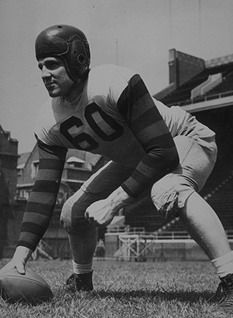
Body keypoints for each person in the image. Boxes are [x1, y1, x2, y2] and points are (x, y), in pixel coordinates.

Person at [1, 24, 233, 311]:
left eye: (52, 64)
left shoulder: (111, 82)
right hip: (135, 157)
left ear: (77, 59)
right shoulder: (49, 118)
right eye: (40, 67)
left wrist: (113, 202)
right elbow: (43, 192)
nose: (44, 74)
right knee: (73, 211)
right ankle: (82, 280)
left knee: (167, 189)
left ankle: (230, 277)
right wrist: (19, 257)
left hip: (183, 139)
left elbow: (163, 152)